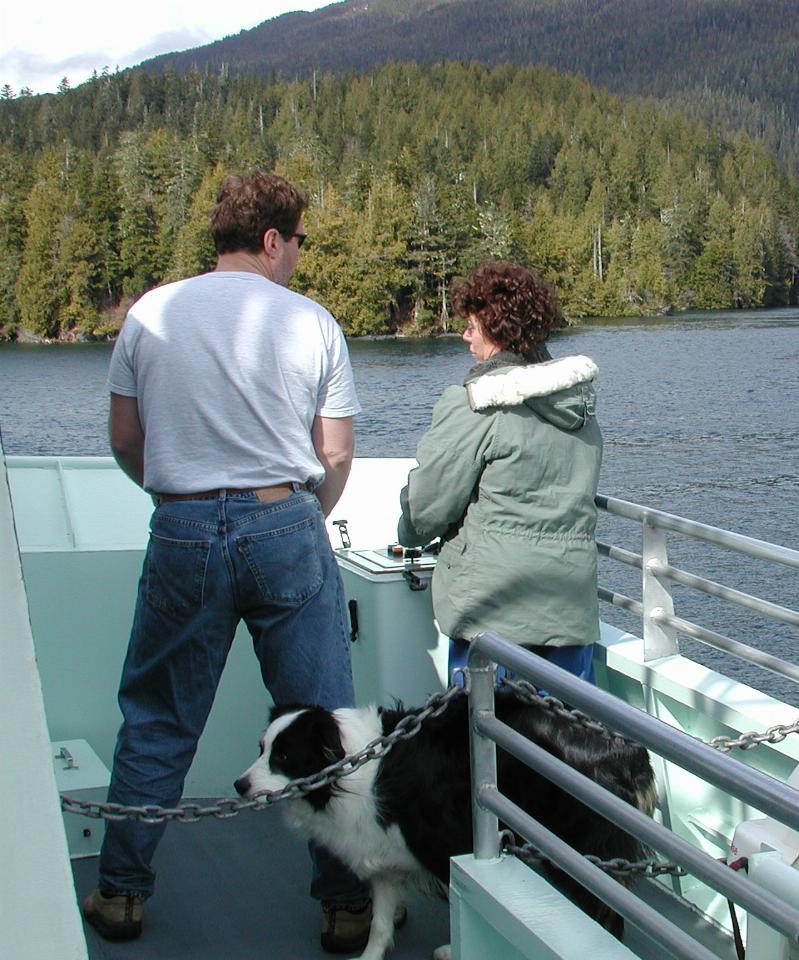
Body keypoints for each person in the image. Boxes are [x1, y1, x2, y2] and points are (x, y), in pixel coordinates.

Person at [84, 170, 377, 954]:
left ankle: (119, 896)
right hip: (283, 518)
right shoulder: (312, 321)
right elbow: (336, 452)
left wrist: (176, 502)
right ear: (274, 239)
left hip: (182, 527)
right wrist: (299, 518)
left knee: (157, 720)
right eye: (297, 243)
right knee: (322, 721)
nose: (297, 259)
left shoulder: (151, 313)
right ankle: (347, 909)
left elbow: (123, 438)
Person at [398, 261, 603, 685]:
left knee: (488, 744)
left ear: (494, 329)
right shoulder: (580, 408)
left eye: (471, 325)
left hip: (493, 615)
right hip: (569, 611)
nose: (465, 336)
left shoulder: (476, 404)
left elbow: (426, 509)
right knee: (562, 746)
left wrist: (408, 534)